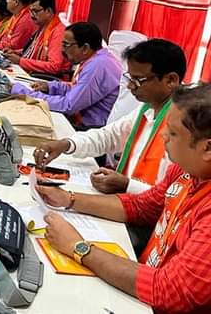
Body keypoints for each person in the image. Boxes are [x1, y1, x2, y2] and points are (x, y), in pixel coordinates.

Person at [35, 83, 211, 314]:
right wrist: (68, 199)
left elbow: (170, 291)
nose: (164, 136)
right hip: (143, 285)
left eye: (173, 133)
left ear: (207, 148)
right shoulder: (185, 171)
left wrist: (78, 247)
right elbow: (143, 206)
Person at [34, 39, 186, 194]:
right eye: (130, 79)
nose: (130, 86)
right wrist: (67, 144)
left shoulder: (185, 125)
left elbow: (173, 194)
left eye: (138, 80)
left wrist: (127, 185)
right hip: (127, 199)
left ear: (170, 80)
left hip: (145, 204)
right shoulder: (148, 108)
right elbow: (109, 136)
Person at [12, 22, 122, 130]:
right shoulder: (97, 59)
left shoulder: (98, 66)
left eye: (66, 45)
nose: (62, 50)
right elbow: (77, 88)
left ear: (85, 48)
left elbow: (68, 105)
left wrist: (28, 94)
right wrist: (51, 87)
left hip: (85, 128)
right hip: (78, 118)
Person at [5, 0, 70, 77]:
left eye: (35, 11)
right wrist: (17, 52)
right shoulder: (43, 26)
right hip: (34, 74)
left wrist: (21, 61)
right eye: (31, 11)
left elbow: (54, 66)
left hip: (47, 79)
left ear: (48, 11)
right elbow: (34, 49)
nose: (32, 15)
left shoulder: (58, 32)